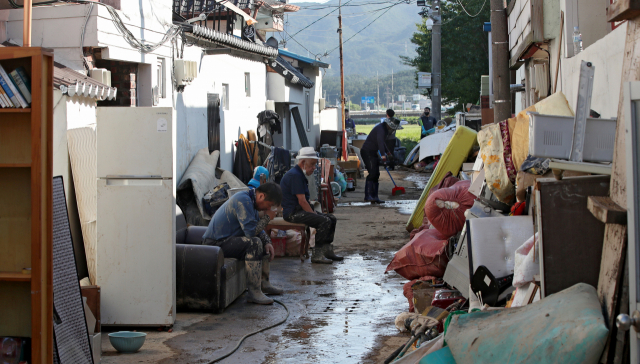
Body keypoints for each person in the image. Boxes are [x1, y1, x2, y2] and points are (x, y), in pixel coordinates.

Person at [202, 182, 284, 305]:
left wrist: (267, 242)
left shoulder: (251, 202)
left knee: (263, 241)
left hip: (227, 240)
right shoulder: (243, 200)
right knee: (254, 243)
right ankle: (254, 292)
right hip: (215, 244)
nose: (268, 209)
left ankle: (264, 283)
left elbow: (256, 226)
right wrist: (267, 218)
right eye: (269, 205)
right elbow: (251, 233)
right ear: (261, 196)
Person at [280, 147, 343, 264]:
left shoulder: (298, 174)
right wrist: (313, 214)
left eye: (315, 165)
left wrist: (313, 213)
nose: (314, 168)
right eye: (312, 165)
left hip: (298, 210)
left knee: (332, 218)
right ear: (303, 162)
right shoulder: (295, 176)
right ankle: (317, 255)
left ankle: (327, 250)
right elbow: (302, 201)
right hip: (292, 213)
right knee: (324, 221)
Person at [360, 109, 403, 204]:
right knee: (372, 173)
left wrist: (388, 153)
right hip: (367, 152)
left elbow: (383, 143)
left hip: (373, 152)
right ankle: (368, 196)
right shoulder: (381, 129)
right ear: (389, 125)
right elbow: (380, 143)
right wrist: (383, 156)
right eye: (393, 128)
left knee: (376, 174)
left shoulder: (385, 130)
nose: (393, 130)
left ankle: (375, 197)